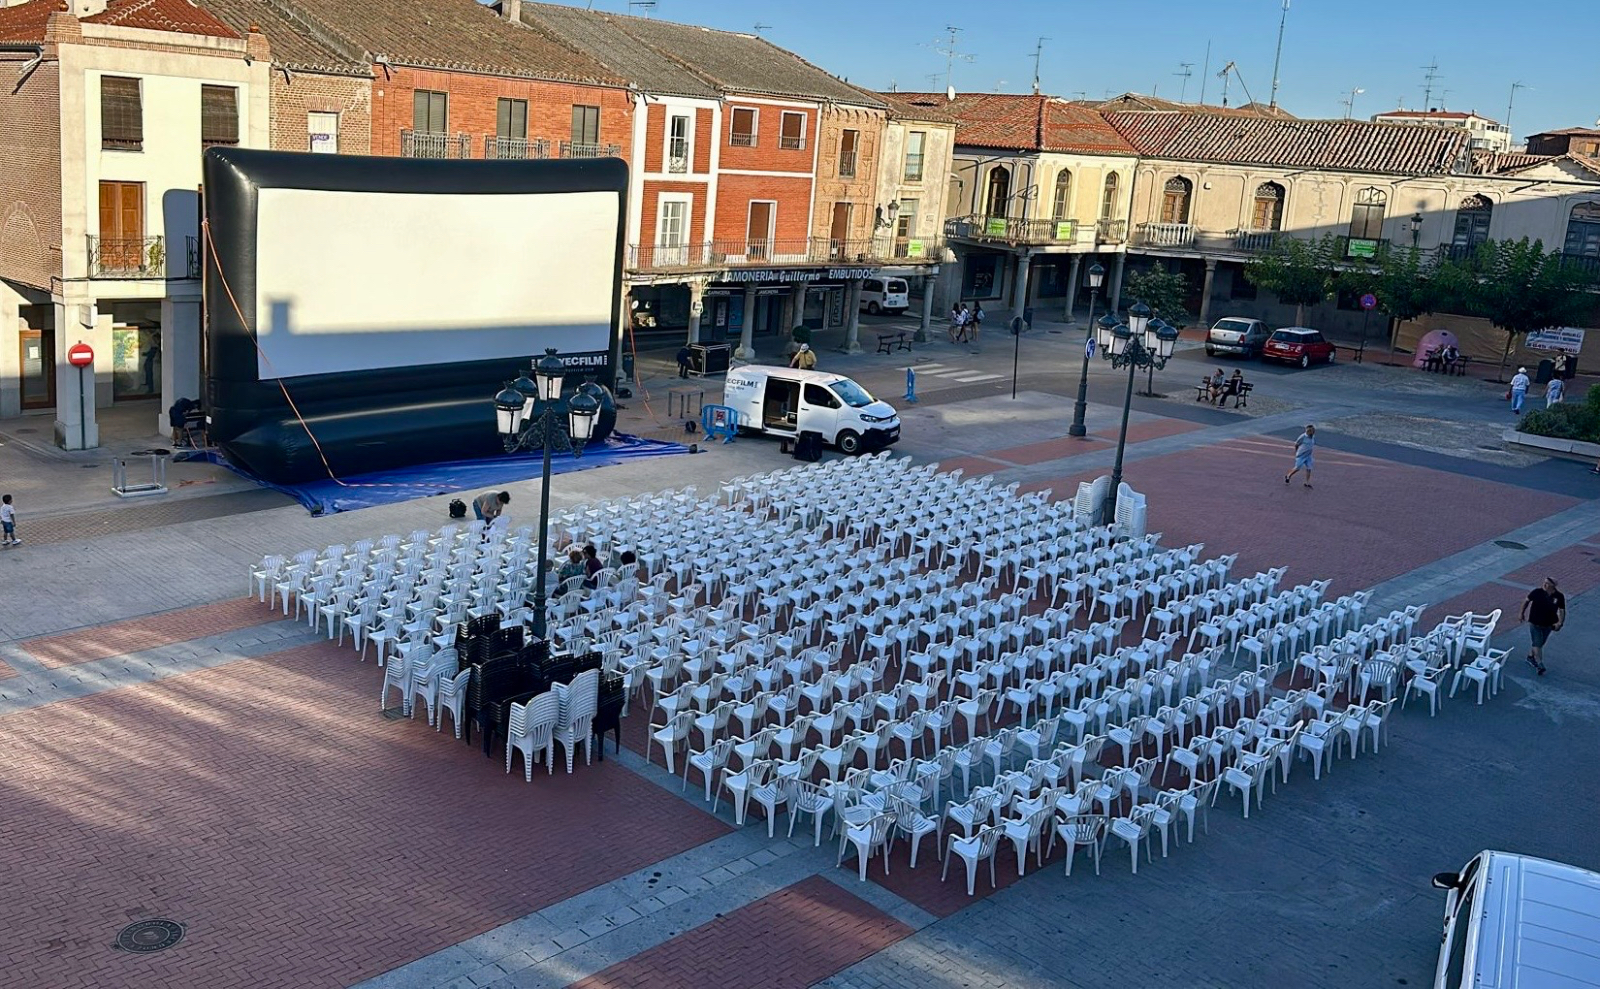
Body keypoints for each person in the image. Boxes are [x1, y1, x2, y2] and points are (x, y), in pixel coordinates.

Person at [1519, 576, 1565, 675]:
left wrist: (1560, 623)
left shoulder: (1559, 596)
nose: (1544, 585)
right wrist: (1521, 613)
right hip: (1535, 622)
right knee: (1537, 643)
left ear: (1553, 586)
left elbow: (1561, 610)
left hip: (1549, 624)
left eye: (1547, 583)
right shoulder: (1537, 592)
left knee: (1540, 643)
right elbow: (1526, 601)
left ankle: (1530, 657)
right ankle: (1540, 664)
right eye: (1544, 582)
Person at [1284, 424, 1315, 488]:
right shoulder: (1302, 437)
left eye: (1313, 431)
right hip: (1301, 455)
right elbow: (1296, 444)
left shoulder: (1312, 436)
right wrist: (1297, 451)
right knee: (1298, 467)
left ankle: (1307, 482)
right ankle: (1288, 475)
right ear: (1308, 431)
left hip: (1308, 455)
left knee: (1309, 468)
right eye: (1311, 431)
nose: (1313, 432)